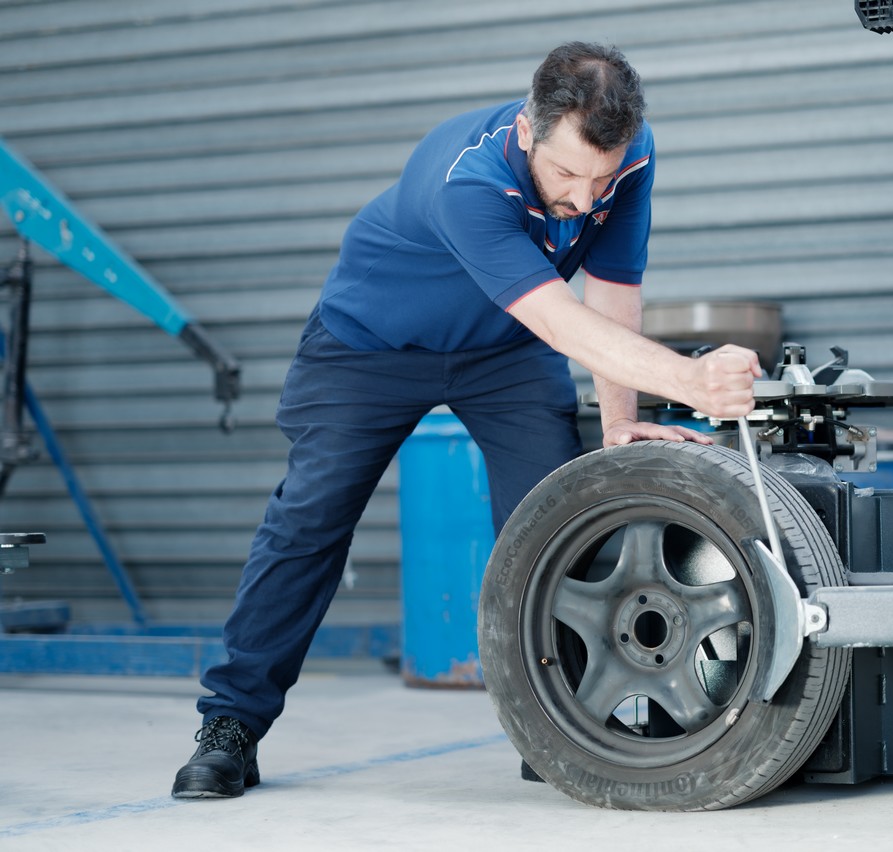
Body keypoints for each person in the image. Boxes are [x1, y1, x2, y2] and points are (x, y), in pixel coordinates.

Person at [171, 41, 761, 799]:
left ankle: (560, 727)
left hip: (503, 351)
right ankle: (230, 726)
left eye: (600, 178)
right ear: (527, 131)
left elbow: (613, 291)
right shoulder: (467, 179)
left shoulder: (631, 156)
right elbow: (564, 321)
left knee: (559, 516)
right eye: (566, 175)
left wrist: (619, 425)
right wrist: (690, 379)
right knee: (310, 519)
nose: (584, 200)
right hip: (370, 344)